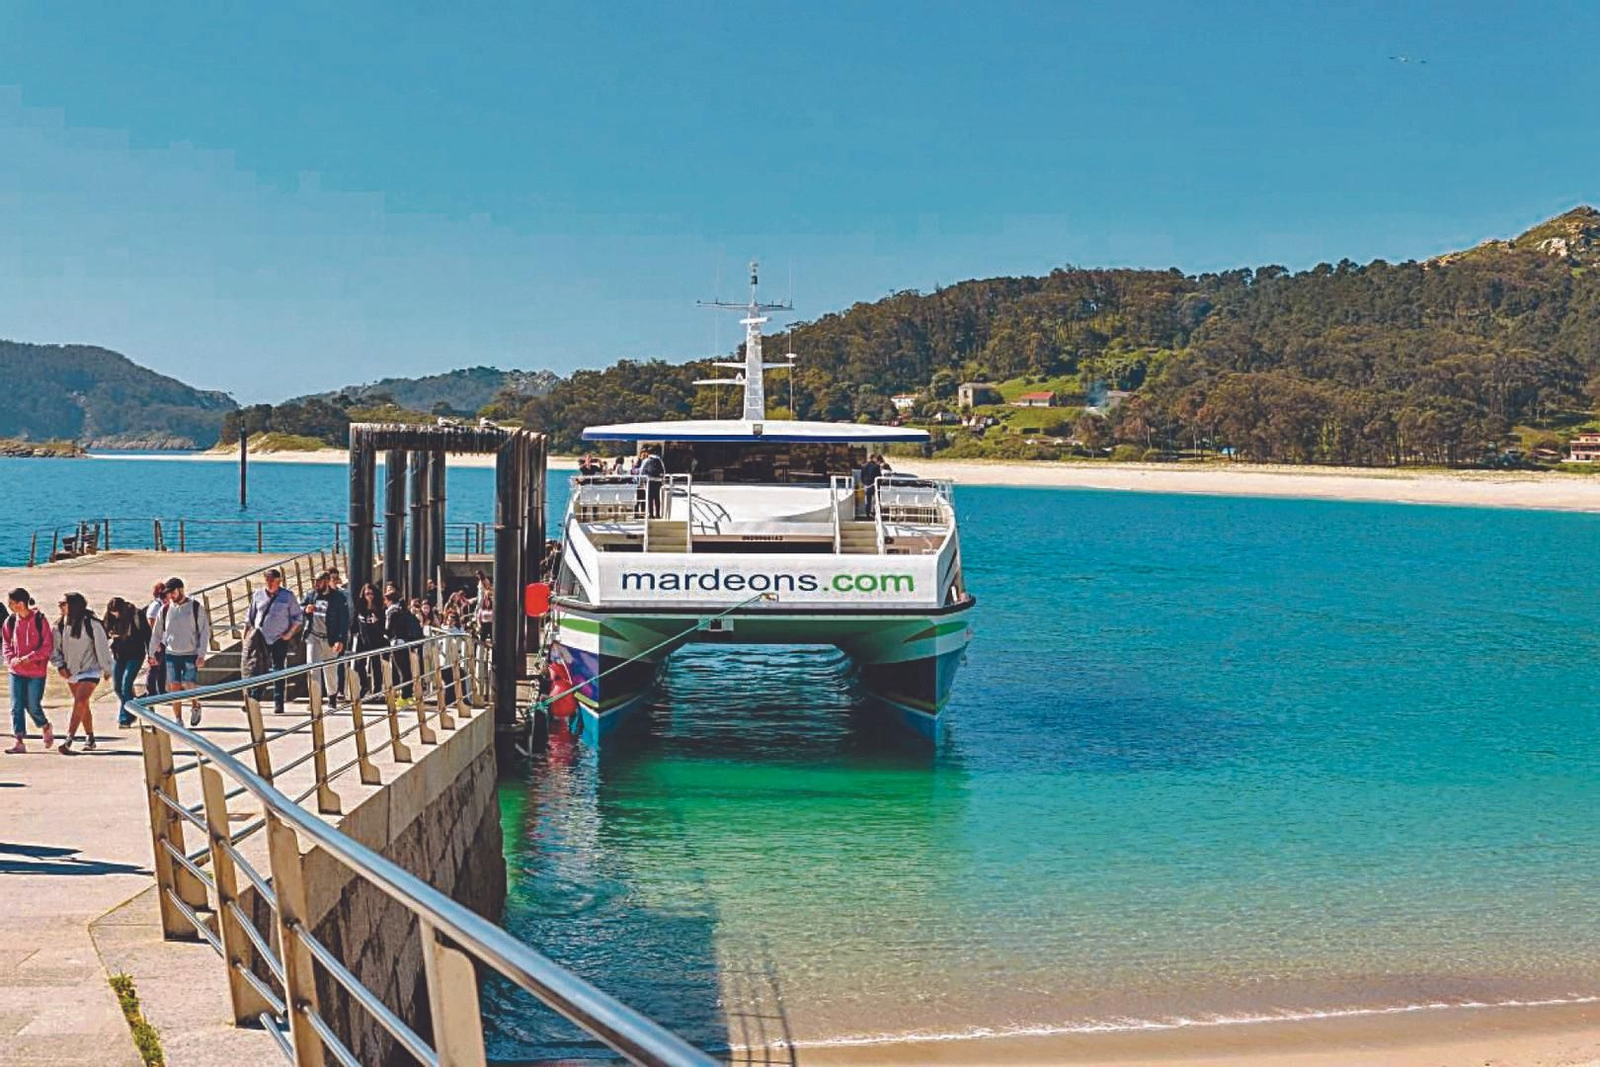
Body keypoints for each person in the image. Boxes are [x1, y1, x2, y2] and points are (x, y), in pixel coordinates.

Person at [51, 592, 113, 754]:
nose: (60, 606)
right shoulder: (59, 625)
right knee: (83, 705)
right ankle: (90, 737)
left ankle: (69, 739)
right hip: (72, 671)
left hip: (91, 670)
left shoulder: (92, 624)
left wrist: (107, 669)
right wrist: (60, 666)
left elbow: (103, 647)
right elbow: (55, 650)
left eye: (63, 603)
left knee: (80, 701)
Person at [149, 577, 212, 726]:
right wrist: (151, 653)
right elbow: (157, 632)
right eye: (168, 593)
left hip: (190, 653)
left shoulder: (196, 607)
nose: (170, 596)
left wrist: (202, 654)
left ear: (180, 590)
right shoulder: (165, 609)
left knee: (190, 684)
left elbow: (204, 632)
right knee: (174, 687)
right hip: (171, 654)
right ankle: (178, 719)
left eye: (172, 592)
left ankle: (195, 705)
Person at [246, 568, 303, 713]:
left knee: (278, 669)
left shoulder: (287, 596)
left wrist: (289, 634)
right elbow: (250, 618)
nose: (270, 583)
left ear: (279, 581)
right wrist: (246, 638)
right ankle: (254, 699)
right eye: (267, 580)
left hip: (279, 638)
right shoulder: (258, 595)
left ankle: (278, 702)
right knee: (257, 669)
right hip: (260, 638)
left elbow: (298, 617)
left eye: (273, 580)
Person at [4, 587, 54, 753]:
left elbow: (47, 647)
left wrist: (29, 658)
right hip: (16, 671)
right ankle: (19, 740)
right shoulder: (10, 621)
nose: (9, 605)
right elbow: (6, 644)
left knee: (33, 705)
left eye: (11, 603)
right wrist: (12, 659)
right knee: (16, 705)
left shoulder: (40, 620)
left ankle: (44, 725)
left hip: (36, 672)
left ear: (21, 603)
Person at [301, 570, 349, 707]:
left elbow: (343, 621)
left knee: (330, 668)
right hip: (313, 636)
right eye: (315, 581)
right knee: (312, 668)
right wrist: (305, 610)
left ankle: (332, 697)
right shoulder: (311, 595)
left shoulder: (338, 598)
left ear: (327, 582)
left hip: (330, 638)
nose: (316, 584)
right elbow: (299, 607)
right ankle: (315, 699)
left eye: (319, 581)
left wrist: (341, 639)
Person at [104, 597, 149, 728]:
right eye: (112, 612)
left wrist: (152, 654)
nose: (115, 615)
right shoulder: (110, 617)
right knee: (117, 687)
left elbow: (147, 634)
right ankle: (133, 706)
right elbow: (104, 633)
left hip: (136, 655)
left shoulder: (136, 615)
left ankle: (125, 718)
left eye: (117, 612)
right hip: (119, 656)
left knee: (126, 684)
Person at [384, 588, 423, 701]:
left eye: (385, 600)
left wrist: (378, 626)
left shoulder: (392, 612)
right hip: (405, 642)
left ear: (389, 600)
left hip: (396, 643)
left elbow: (389, 630)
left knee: (401, 670)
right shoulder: (402, 610)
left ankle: (405, 696)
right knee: (406, 669)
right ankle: (408, 694)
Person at [349, 583, 386, 698]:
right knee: (360, 664)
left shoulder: (380, 608)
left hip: (375, 638)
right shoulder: (360, 607)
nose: (369, 596)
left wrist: (376, 622)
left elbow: (383, 626)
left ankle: (377, 689)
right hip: (362, 638)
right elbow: (355, 623)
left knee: (376, 665)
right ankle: (364, 686)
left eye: (371, 594)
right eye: (366, 594)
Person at [143, 580, 168, 697]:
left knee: (162, 668)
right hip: (156, 641)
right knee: (154, 667)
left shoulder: (162, 605)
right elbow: (151, 622)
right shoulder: (155, 606)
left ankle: (161, 690)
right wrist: (156, 641)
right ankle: (151, 691)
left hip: (162, 641)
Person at [636, 445, 665, 518]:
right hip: (658, 481)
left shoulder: (646, 460)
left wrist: (640, 482)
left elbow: (641, 471)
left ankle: (651, 514)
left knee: (650, 499)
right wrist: (663, 480)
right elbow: (663, 471)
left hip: (649, 481)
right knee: (657, 498)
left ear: (648, 453)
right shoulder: (659, 460)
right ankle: (658, 514)